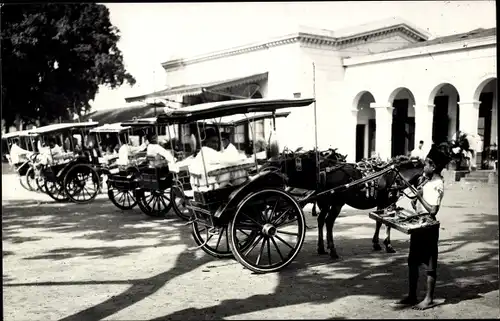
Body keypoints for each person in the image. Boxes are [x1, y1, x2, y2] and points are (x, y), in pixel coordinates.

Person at [397, 143, 448, 310]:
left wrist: (419, 197)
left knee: (430, 265)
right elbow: (423, 204)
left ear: (433, 166)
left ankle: (429, 299)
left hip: (429, 227)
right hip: (419, 225)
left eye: (426, 163)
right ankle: (412, 295)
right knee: (413, 260)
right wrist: (415, 201)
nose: (423, 166)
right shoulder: (428, 180)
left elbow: (433, 210)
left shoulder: (438, 183)